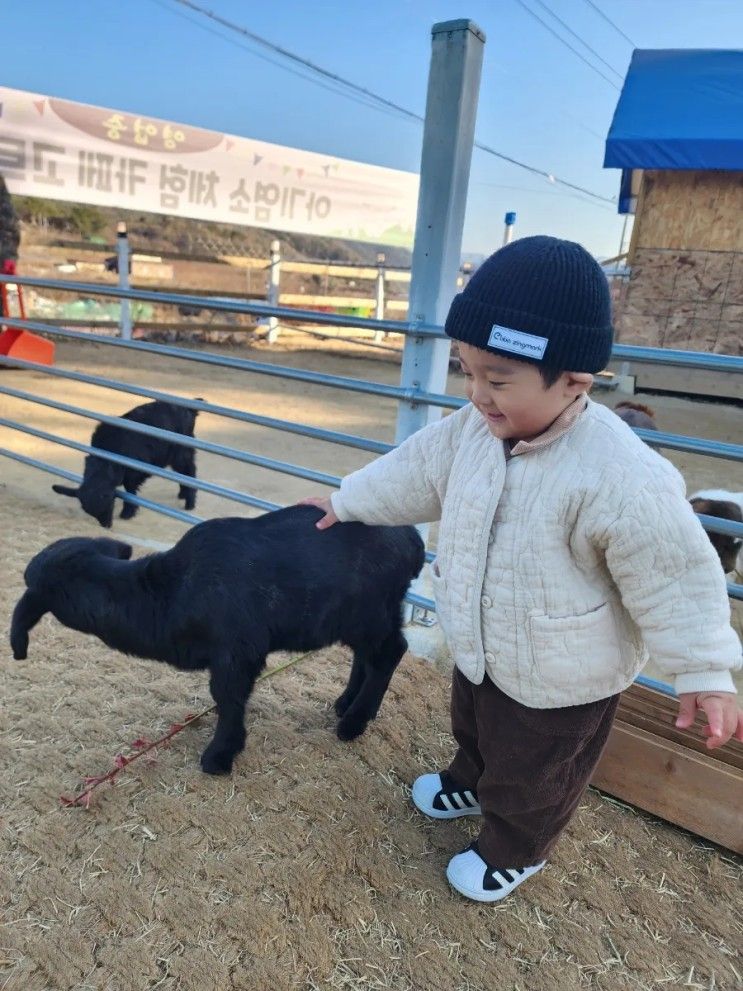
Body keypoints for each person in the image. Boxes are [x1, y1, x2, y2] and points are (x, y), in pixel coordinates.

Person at [301, 235, 743, 904]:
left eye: (498, 379)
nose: (477, 394)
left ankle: (516, 845)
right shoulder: (474, 428)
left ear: (573, 380)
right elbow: (415, 469)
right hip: (483, 643)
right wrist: (345, 500)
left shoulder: (621, 474)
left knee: (535, 769)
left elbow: (674, 574)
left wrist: (704, 669)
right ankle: (469, 777)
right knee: (476, 725)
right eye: (465, 370)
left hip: (567, 672)